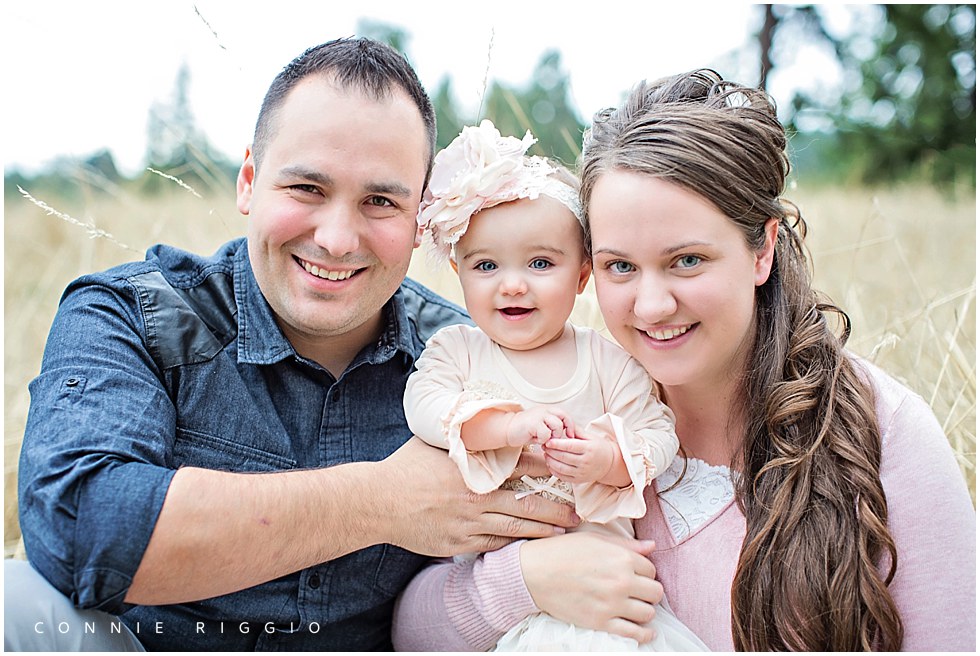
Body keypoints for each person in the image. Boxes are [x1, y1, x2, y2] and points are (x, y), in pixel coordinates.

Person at [5, 37, 578, 652]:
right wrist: (384, 499)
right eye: (306, 188)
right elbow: (79, 529)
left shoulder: (467, 357)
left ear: (422, 221)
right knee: (14, 601)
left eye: (380, 201)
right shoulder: (136, 315)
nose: (335, 238)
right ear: (249, 181)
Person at [392, 69, 977, 651]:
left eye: (688, 260)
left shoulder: (883, 433)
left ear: (762, 250)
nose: (651, 305)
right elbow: (410, 630)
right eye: (622, 266)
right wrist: (524, 583)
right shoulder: (573, 401)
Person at [405, 119, 707, 651]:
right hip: (511, 601)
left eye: (541, 262)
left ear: (583, 275)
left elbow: (658, 432)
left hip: (607, 597)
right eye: (486, 265)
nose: (513, 283)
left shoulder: (606, 360)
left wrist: (608, 460)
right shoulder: (458, 351)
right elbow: (423, 406)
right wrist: (505, 426)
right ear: (458, 270)